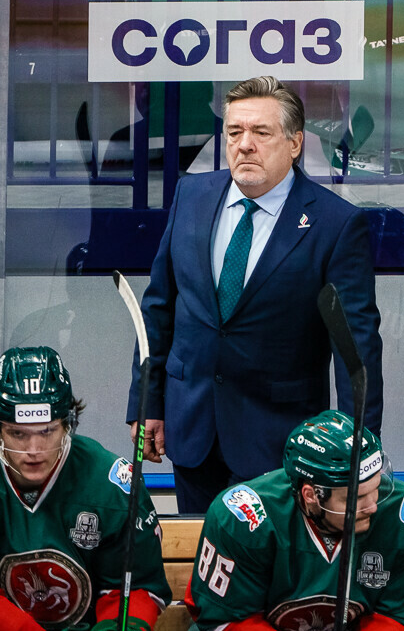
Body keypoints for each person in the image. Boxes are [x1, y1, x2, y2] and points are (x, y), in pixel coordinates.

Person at [128, 75, 383, 513]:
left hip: (280, 445)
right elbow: (159, 308)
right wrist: (147, 402)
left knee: (268, 556)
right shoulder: (191, 195)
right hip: (193, 432)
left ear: (295, 143)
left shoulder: (336, 225)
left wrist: (359, 447)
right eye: (234, 132)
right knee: (198, 551)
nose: (244, 145)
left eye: (261, 132)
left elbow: (355, 349)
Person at [0, 346, 170, 631]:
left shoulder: (112, 485)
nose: (34, 450)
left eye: (47, 431)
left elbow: (133, 585)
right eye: (18, 434)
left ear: (68, 424)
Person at [180, 410, 404, 631]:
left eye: (376, 488)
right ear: (311, 495)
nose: (372, 506)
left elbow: (398, 612)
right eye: (356, 498)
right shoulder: (245, 518)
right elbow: (226, 619)